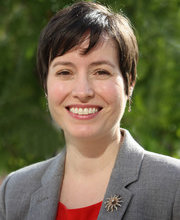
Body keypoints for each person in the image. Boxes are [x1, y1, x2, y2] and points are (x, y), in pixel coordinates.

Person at [0, 1, 180, 220]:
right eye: (65, 72)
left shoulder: (173, 185)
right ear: (45, 84)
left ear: (129, 82)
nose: (82, 91)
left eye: (101, 72)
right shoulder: (14, 191)